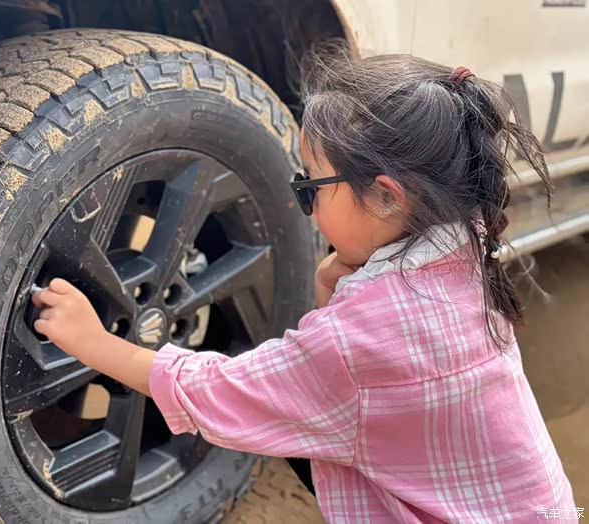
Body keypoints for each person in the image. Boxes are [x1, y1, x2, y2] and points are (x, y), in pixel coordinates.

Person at [31, 46, 576, 522]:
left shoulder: (360, 342)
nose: (302, 203)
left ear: (386, 197)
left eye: (310, 186)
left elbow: (219, 392)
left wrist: (94, 343)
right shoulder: (466, 242)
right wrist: (335, 299)